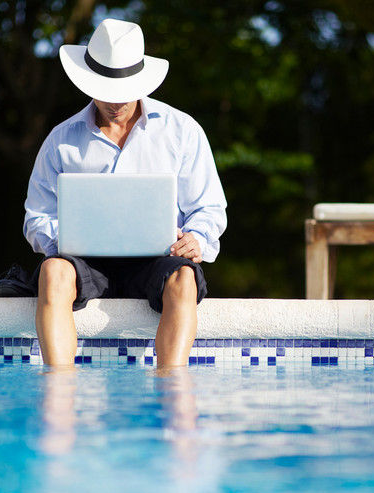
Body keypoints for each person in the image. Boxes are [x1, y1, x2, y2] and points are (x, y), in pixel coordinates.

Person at [23, 18, 227, 368]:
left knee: (185, 277)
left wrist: (197, 238)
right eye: (105, 90)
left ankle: (171, 390)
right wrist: (66, 239)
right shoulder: (60, 139)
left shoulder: (182, 131)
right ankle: (58, 394)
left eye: (123, 90)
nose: (116, 102)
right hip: (83, 264)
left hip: (157, 262)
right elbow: (36, 217)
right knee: (52, 272)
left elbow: (209, 208)